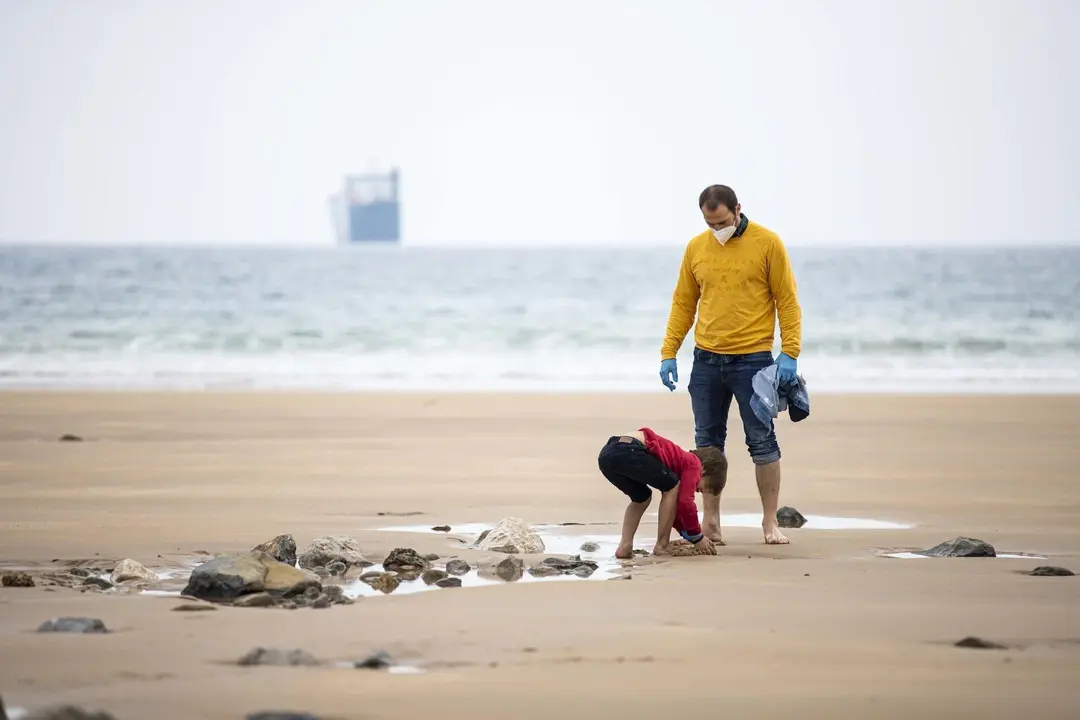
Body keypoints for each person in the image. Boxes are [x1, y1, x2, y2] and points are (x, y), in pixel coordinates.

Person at [658, 184, 802, 545]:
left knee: (762, 441)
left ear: (738, 209)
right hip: (706, 360)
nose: (717, 228)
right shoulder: (696, 247)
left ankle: (770, 523)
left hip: (753, 360)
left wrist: (790, 353)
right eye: (710, 223)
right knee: (707, 444)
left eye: (722, 221)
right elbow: (683, 304)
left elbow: (786, 300)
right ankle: (711, 523)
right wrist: (668, 352)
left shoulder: (767, 243)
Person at [596, 428, 728, 558]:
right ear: (704, 471)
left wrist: (686, 533)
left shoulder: (677, 464)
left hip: (608, 454)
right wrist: (697, 537)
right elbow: (685, 502)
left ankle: (624, 546)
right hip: (629, 449)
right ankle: (662, 545)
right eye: (705, 487)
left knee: (642, 498)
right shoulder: (694, 463)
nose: (699, 491)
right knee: (672, 487)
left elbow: (672, 511)